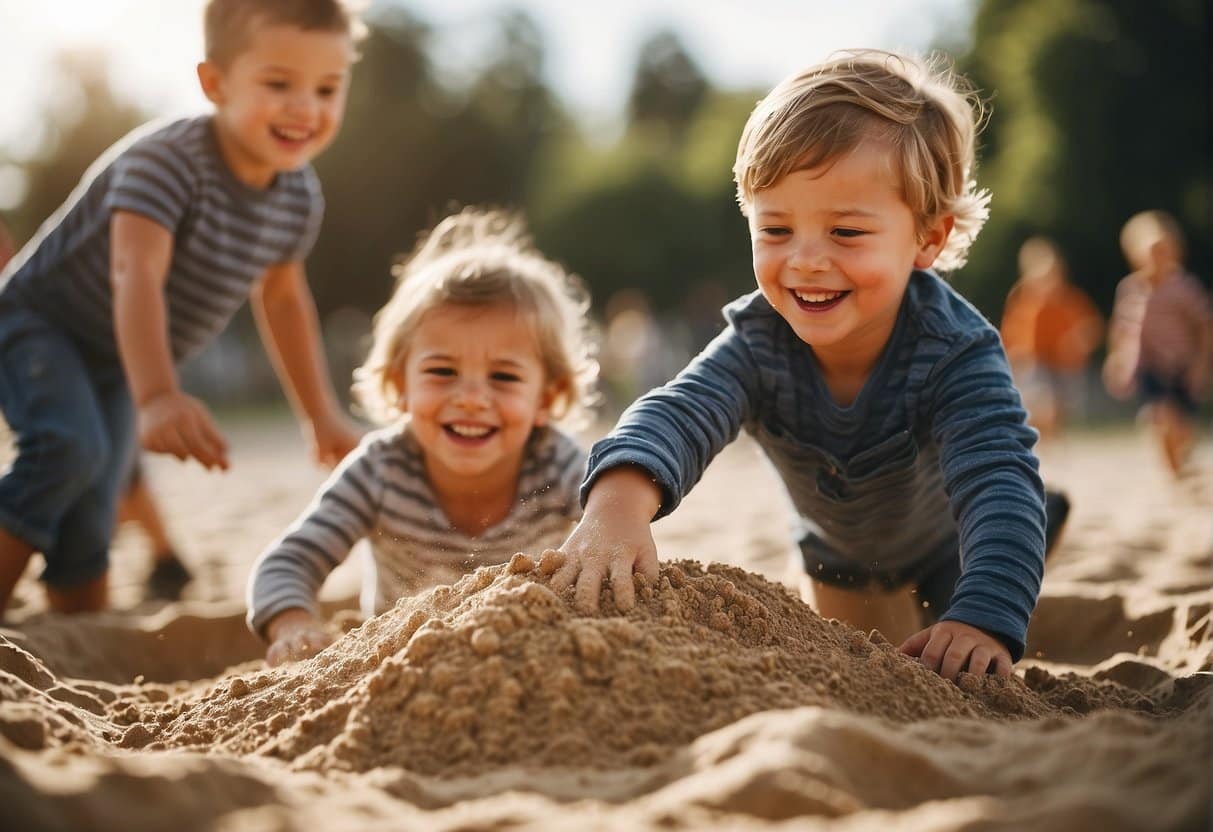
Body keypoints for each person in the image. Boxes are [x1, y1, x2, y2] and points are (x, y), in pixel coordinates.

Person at [551, 48, 1071, 683]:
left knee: (966, 630)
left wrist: (986, 618)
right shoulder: (758, 342)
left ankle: (1037, 530)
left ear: (927, 239)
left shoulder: (956, 352)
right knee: (856, 655)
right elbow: (680, 412)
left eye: (846, 233)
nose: (805, 261)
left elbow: (997, 480)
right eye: (775, 231)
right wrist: (617, 504)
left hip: (951, 542)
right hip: (836, 551)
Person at [0, 0, 366, 618]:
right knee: (68, 448)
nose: (306, 107)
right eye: (279, 84)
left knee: (98, 500)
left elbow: (281, 300)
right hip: (40, 323)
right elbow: (134, 272)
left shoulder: (297, 195)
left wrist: (320, 416)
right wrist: (159, 395)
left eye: (327, 89)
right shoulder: (168, 161)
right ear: (215, 83)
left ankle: (78, 630)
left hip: (116, 359)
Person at [246, 207, 599, 666]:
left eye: (504, 377)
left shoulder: (560, 465)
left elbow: (615, 545)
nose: (471, 398)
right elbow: (287, 562)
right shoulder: (380, 470)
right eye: (442, 371)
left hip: (529, 659)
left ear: (547, 399)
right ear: (399, 385)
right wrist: (294, 624)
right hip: (402, 669)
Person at [1103, 210, 1213, 478]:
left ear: (1176, 251)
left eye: (1164, 249)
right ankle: (1175, 474)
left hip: (1180, 365)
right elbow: (1121, 328)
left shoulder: (1184, 287)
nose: (1158, 257)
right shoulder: (1130, 289)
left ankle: (1182, 457)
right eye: (1151, 250)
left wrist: (1201, 363)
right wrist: (1115, 359)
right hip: (1146, 365)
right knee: (1159, 417)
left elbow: (1205, 325)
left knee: (1180, 426)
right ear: (1135, 254)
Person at [999, 236, 1104, 441]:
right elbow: (1011, 332)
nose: (1046, 285)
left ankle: (1051, 439)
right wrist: (1014, 354)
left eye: (1051, 276)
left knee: (1063, 406)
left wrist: (1079, 341)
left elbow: (1092, 327)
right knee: (1043, 403)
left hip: (1064, 364)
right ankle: (1042, 440)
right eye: (1040, 278)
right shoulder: (1023, 300)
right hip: (1035, 362)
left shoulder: (1069, 299)